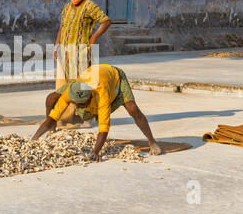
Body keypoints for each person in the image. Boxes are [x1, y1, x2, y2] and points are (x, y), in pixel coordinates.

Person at [32, 64, 162, 160]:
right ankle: (51, 129)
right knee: (51, 98)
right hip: (84, 81)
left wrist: (95, 151)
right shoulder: (71, 91)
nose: (78, 107)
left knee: (132, 108)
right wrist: (34, 139)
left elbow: (104, 128)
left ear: (89, 98)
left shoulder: (102, 94)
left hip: (115, 78)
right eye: (76, 104)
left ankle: (152, 141)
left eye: (81, 104)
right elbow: (51, 117)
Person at [54, 0, 112, 128]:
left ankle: (89, 117)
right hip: (66, 53)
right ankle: (72, 115)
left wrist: (94, 37)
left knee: (84, 85)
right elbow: (62, 27)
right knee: (68, 85)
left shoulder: (89, 6)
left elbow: (105, 21)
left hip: (81, 53)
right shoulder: (67, 8)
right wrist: (56, 46)